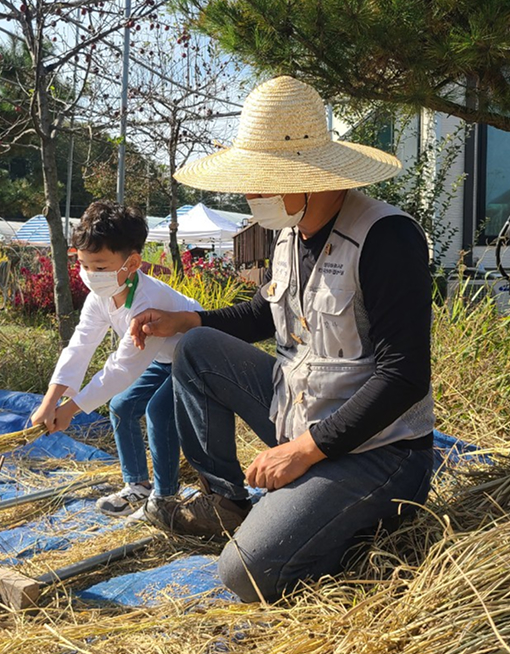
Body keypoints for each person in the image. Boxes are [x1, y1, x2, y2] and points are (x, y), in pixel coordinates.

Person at [130, 76, 435, 602]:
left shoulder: (386, 238)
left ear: (308, 175)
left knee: (244, 574)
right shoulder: (290, 231)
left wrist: (305, 452)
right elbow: (265, 313)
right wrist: (187, 320)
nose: (251, 194)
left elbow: (404, 375)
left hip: (378, 452)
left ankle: (350, 524)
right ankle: (227, 501)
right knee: (196, 351)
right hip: (303, 414)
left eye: (262, 180)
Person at [30, 201, 202, 518]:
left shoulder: (146, 301)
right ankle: (137, 486)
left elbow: (123, 368)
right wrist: (50, 400)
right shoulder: (102, 297)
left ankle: (165, 501)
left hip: (197, 357)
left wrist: (70, 409)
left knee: (159, 412)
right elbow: (80, 346)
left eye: (100, 266)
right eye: (83, 265)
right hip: (165, 359)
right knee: (122, 406)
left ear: (132, 263)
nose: (90, 275)